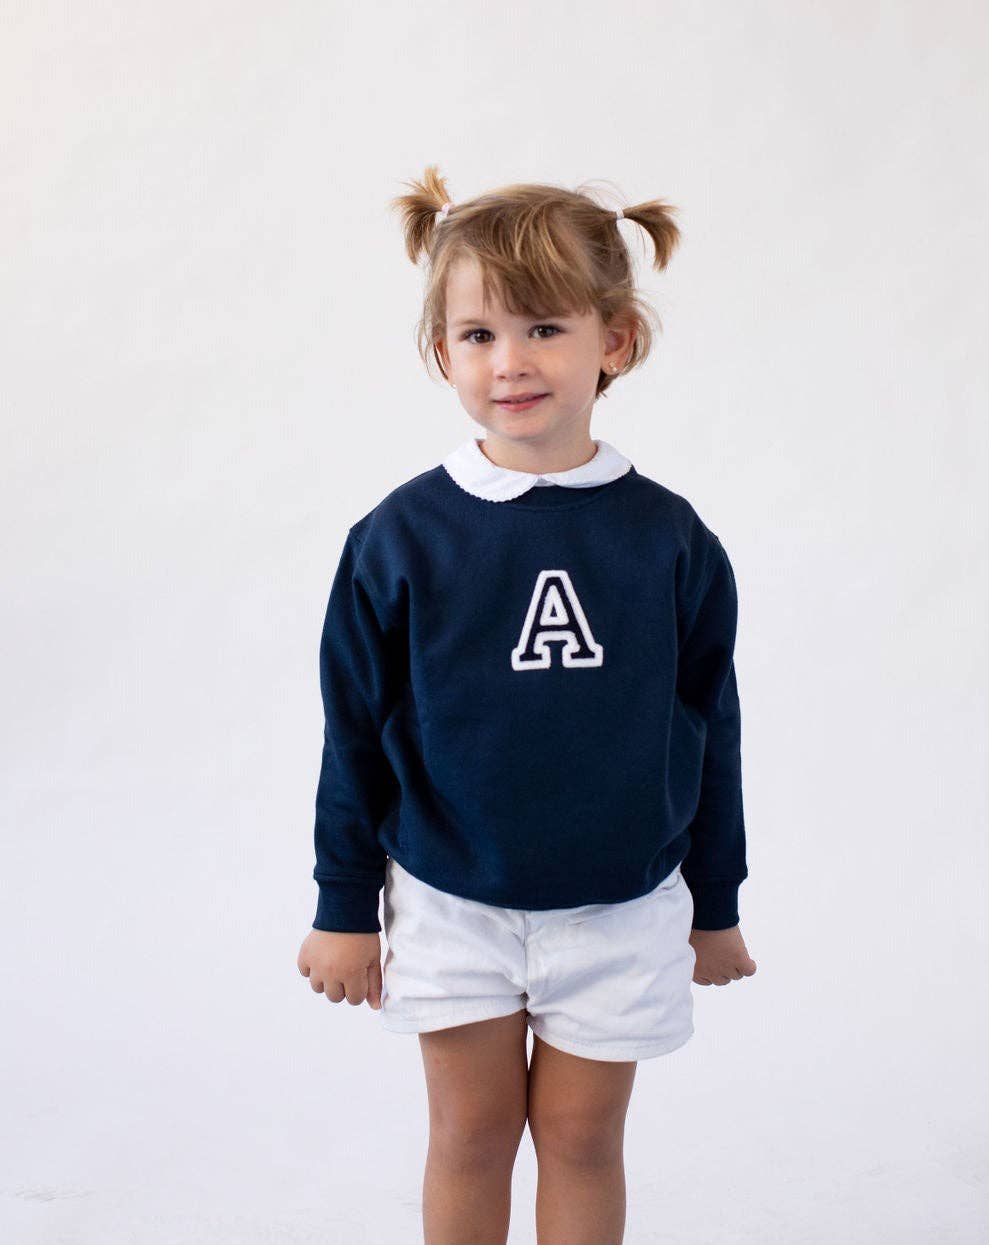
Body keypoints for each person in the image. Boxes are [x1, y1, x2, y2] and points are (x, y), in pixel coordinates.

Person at [296, 165, 757, 1245]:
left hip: (619, 907)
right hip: (451, 898)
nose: (510, 361)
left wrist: (715, 900)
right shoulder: (399, 538)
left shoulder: (669, 539)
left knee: (584, 1140)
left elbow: (710, 726)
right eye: (478, 335)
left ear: (615, 341)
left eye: (544, 328)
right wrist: (341, 903)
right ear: (441, 353)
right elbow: (353, 728)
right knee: (469, 1135)